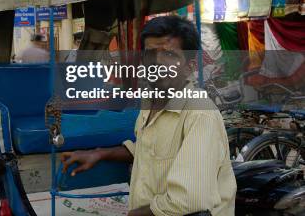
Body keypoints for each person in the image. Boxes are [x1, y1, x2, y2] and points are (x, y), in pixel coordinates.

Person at [60, 16, 236, 216]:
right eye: (151, 54)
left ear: (190, 65)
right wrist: (99, 153)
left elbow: (187, 201)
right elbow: (150, 150)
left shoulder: (199, 113)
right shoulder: (149, 102)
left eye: (169, 54)